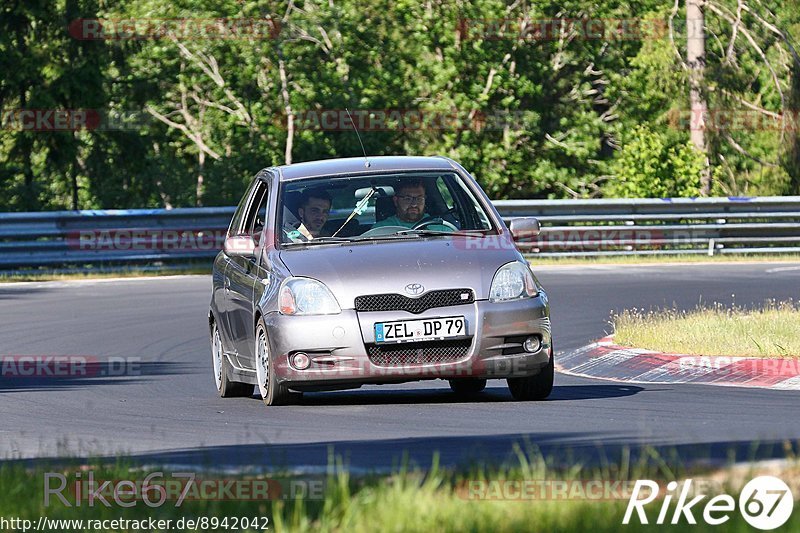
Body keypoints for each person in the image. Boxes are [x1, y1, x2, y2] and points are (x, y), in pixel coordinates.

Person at [372, 179, 452, 230]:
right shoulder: (381, 229)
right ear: (396, 201)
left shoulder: (441, 227)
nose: (414, 204)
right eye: (408, 199)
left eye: (419, 198)